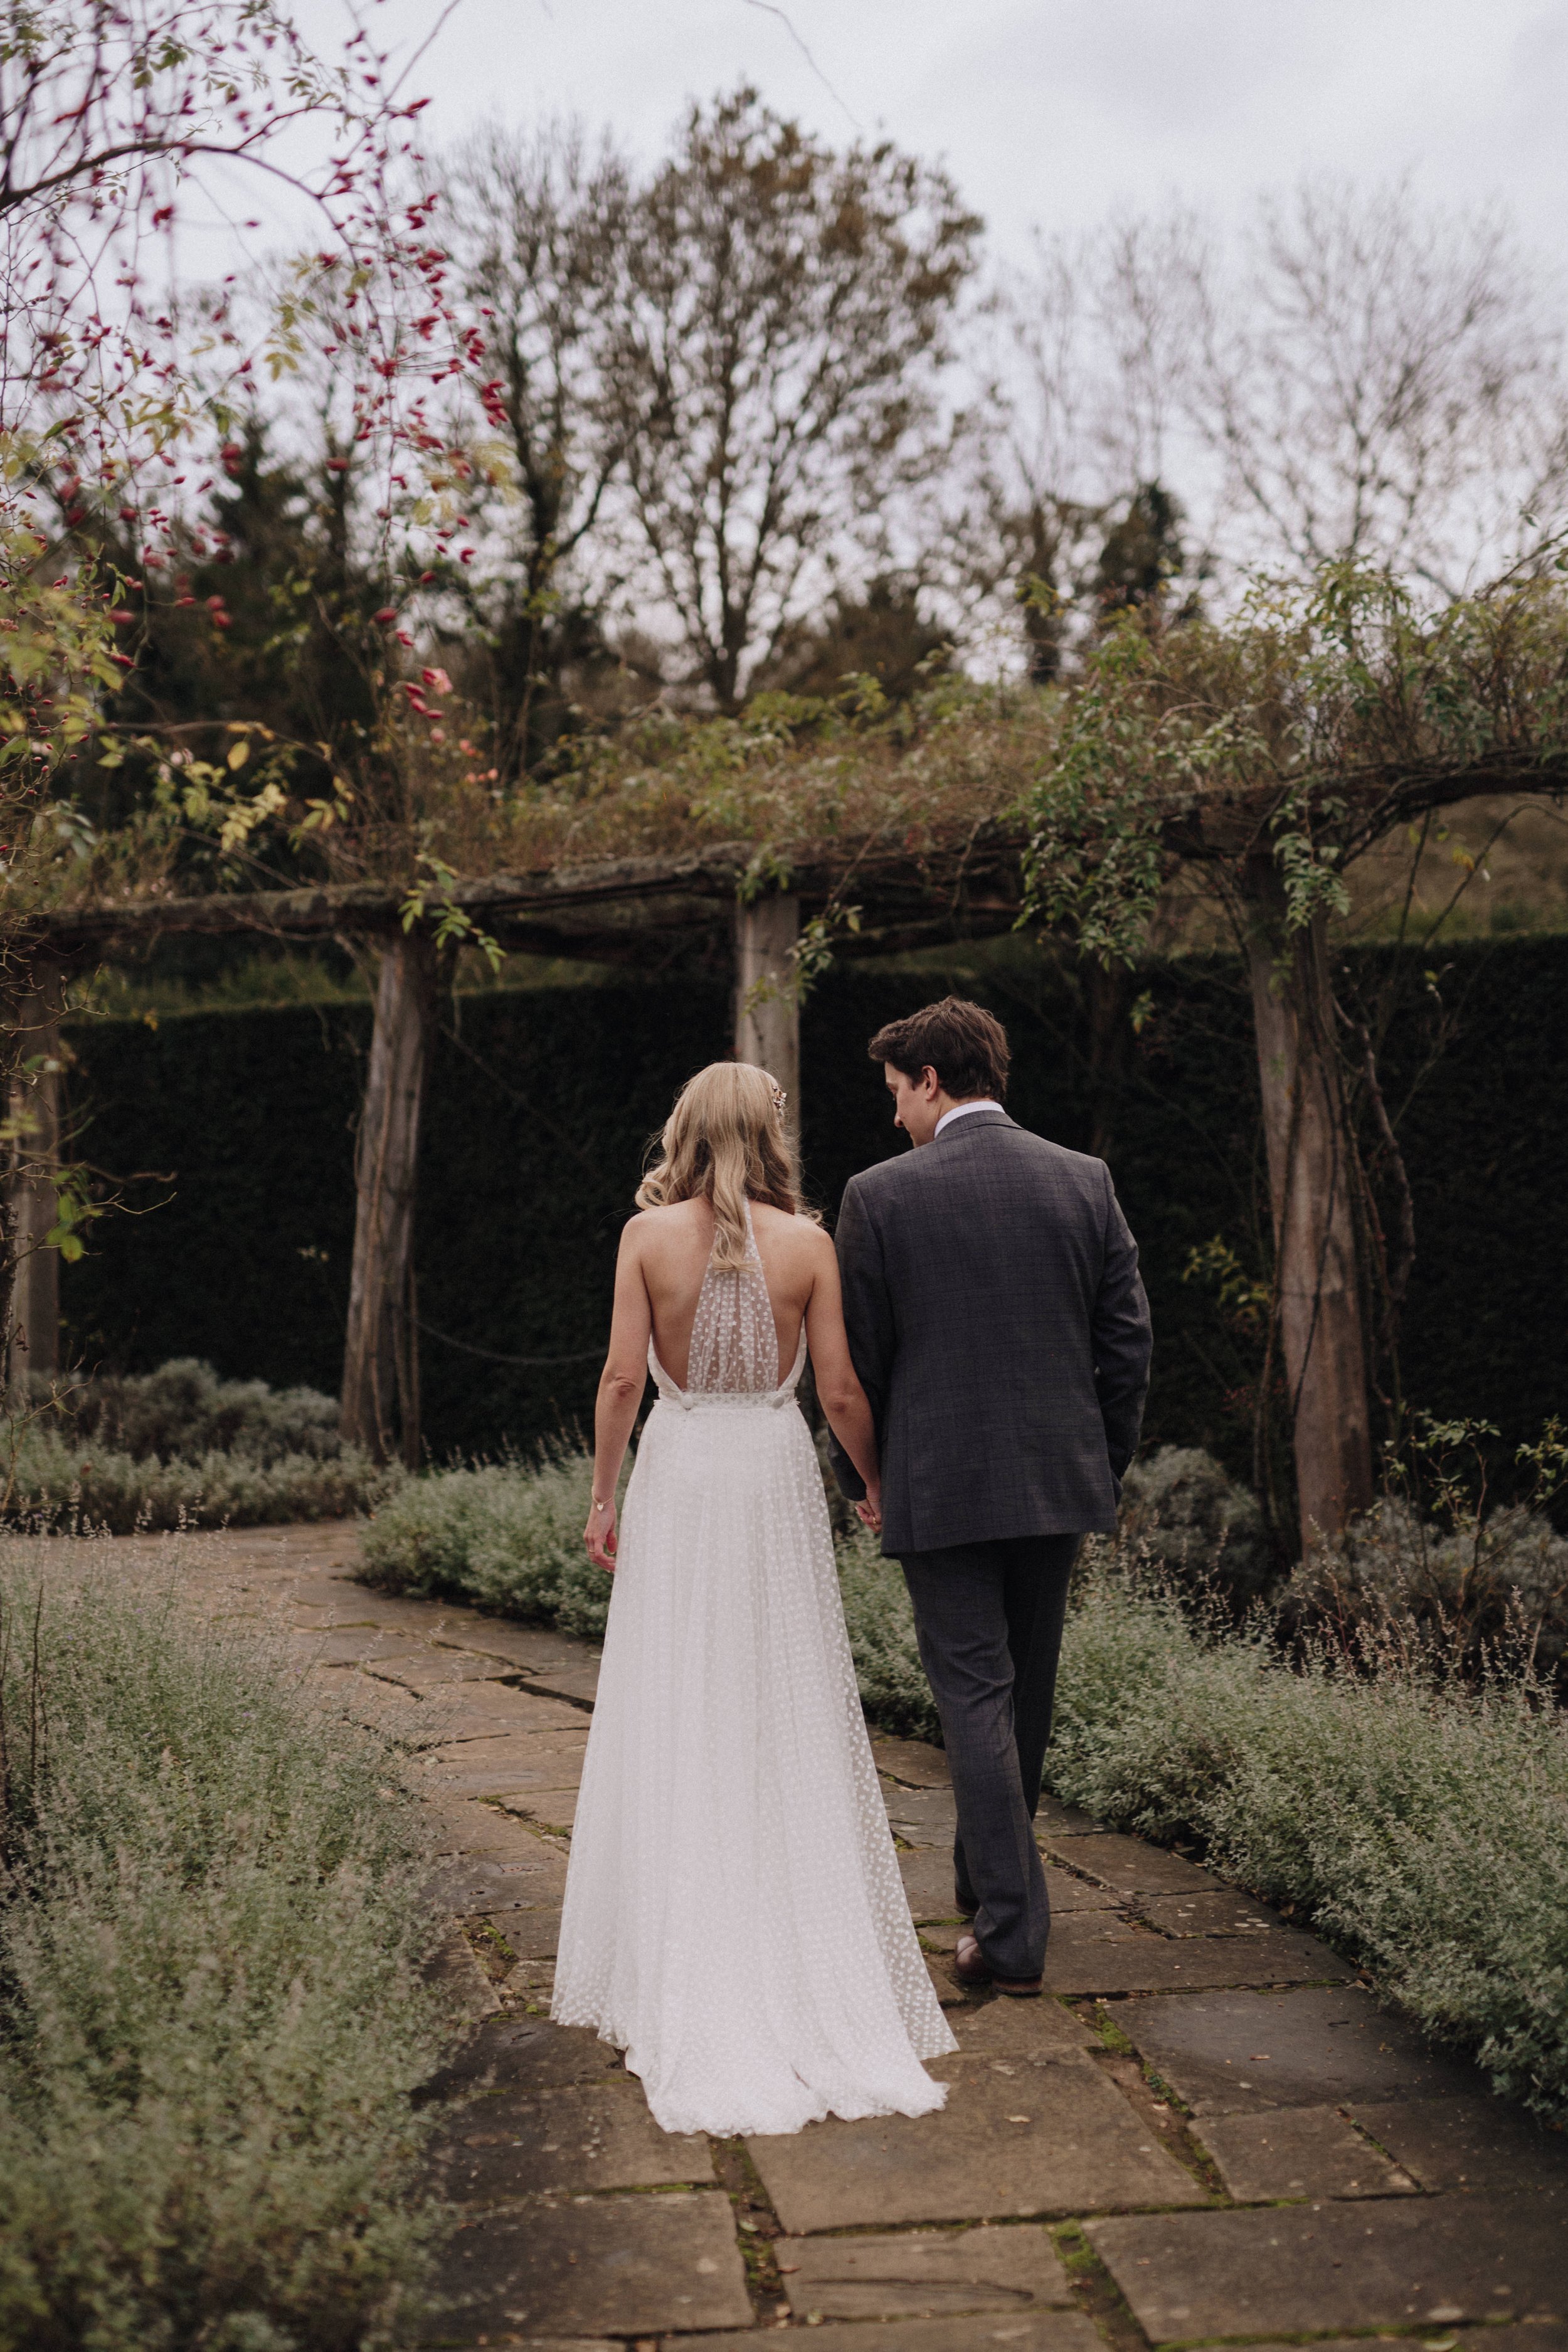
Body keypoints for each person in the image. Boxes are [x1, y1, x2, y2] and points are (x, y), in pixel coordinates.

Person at [552, 1060, 955, 2136]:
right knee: (780, 1698)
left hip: (682, 1476)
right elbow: (837, 1391)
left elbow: (622, 1382)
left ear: (684, 1130)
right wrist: (871, 1483)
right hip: (772, 1478)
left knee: (679, 1693)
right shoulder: (811, 1245)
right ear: (771, 1135)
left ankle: (685, 1948)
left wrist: (603, 1498)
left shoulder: (645, 1240)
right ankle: (796, 1949)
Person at [829, 997, 1152, 1998]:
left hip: (941, 1490)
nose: (893, 1117)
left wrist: (868, 1478)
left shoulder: (878, 1198)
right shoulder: (1083, 1180)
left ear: (931, 1079)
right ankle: (984, 1881)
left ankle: (1009, 1936)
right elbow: (1127, 1344)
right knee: (1028, 1693)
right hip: (1057, 1483)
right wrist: (1101, 1464)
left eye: (896, 1093)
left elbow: (858, 1364)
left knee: (975, 1693)